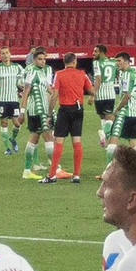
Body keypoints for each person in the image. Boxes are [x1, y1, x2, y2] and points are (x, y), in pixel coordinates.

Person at [46, 51, 94, 183]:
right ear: (74, 61)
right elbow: (92, 91)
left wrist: (49, 114)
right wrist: (91, 96)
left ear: (64, 62)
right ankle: (76, 175)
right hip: (78, 109)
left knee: (58, 141)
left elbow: (54, 95)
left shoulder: (59, 74)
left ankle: (51, 175)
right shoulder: (82, 74)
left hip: (65, 110)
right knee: (77, 141)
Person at [19, 47, 55, 181]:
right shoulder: (32, 72)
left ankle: (27, 171)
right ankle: (56, 169)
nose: (43, 61)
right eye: (40, 59)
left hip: (42, 110)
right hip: (37, 110)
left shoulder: (41, 72)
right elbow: (25, 92)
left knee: (34, 138)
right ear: (34, 60)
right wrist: (22, 112)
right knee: (49, 137)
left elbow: (50, 90)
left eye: (44, 59)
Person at [105, 51, 136, 152]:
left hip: (126, 112)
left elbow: (127, 95)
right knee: (133, 143)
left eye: (119, 61)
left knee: (113, 139)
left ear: (126, 62)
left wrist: (116, 111)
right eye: (116, 61)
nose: (116, 63)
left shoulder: (127, 74)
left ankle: (111, 161)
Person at [0, 45, 24, 155]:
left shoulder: (18, 67)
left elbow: (24, 80)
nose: (5, 55)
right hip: (2, 99)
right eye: (3, 53)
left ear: (10, 54)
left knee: (17, 123)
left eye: (7, 53)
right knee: (4, 123)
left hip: (14, 100)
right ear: (0, 56)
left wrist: (24, 86)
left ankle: (12, 138)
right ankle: (8, 148)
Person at [91, 45, 118, 131]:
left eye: (96, 51)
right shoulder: (113, 62)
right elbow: (117, 75)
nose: (93, 53)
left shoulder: (96, 62)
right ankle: (106, 134)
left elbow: (98, 79)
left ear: (102, 52)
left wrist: (92, 95)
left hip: (99, 95)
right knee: (109, 117)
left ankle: (105, 134)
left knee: (103, 118)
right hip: (110, 94)